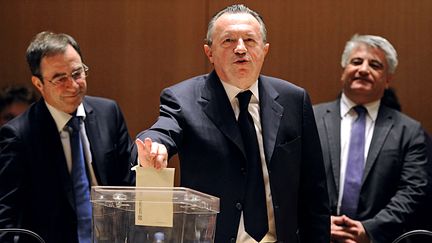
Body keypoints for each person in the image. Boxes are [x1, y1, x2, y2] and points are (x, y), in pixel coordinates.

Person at [134, 4, 330, 243]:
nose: (240, 49)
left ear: (265, 50)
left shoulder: (293, 100)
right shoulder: (183, 99)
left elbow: (314, 194)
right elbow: (164, 129)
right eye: (228, 41)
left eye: (249, 40)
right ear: (209, 52)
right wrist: (155, 145)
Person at [0, 31, 135, 243]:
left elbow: (129, 185)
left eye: (77, 73)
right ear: (38, 84)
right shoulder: (19, 136)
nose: (72, 85)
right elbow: (5, 218)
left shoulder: (108, 113)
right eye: (60, 78)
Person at [313, 34, 429, 243]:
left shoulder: (410, 132)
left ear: (387, 80)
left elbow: (414, 191)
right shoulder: (310, 118)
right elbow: (289, 179)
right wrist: (318, 222)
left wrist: (368, 230)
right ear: (343, 71)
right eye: (356, 62)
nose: (364, 69)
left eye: (375, 65)